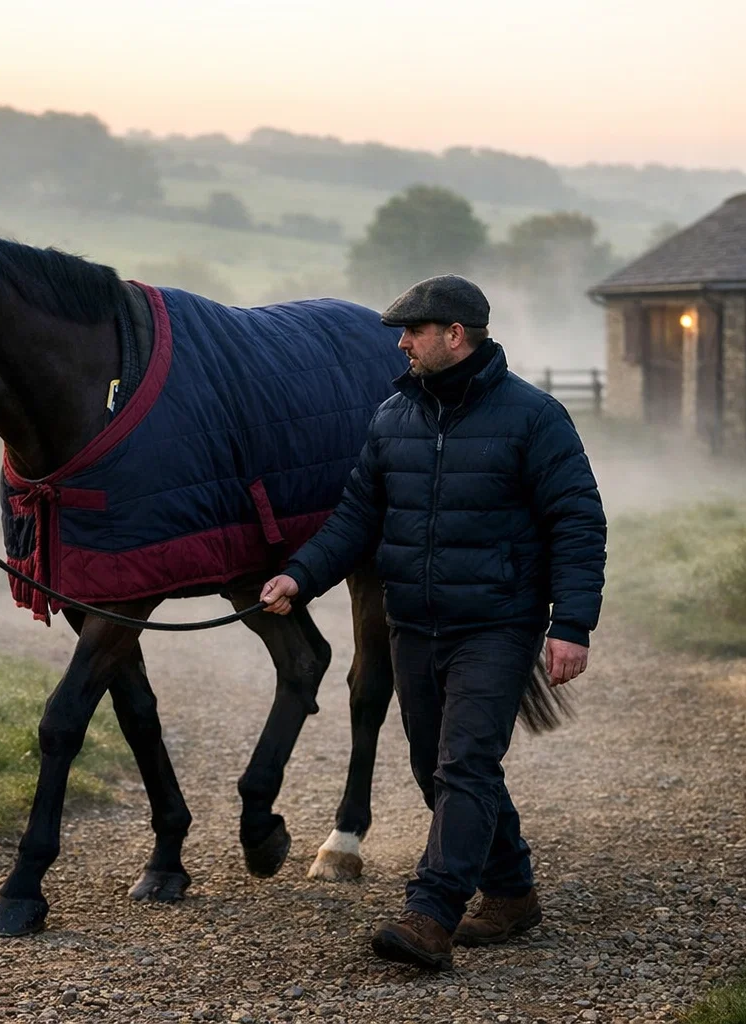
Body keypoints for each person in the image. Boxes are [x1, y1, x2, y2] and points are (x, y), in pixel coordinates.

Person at [259, 274, 606, 970]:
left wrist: (571, 624)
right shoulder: (393, 416)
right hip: (412, 625)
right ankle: (510, 892)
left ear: (455, 335)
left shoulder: (534, 419)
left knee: (465, 763)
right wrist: (301, 574)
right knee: (432, 768)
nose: (401, 342)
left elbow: (577, 521)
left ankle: (431, 913)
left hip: (497, 626)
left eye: (413, 331)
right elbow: (357, 517)